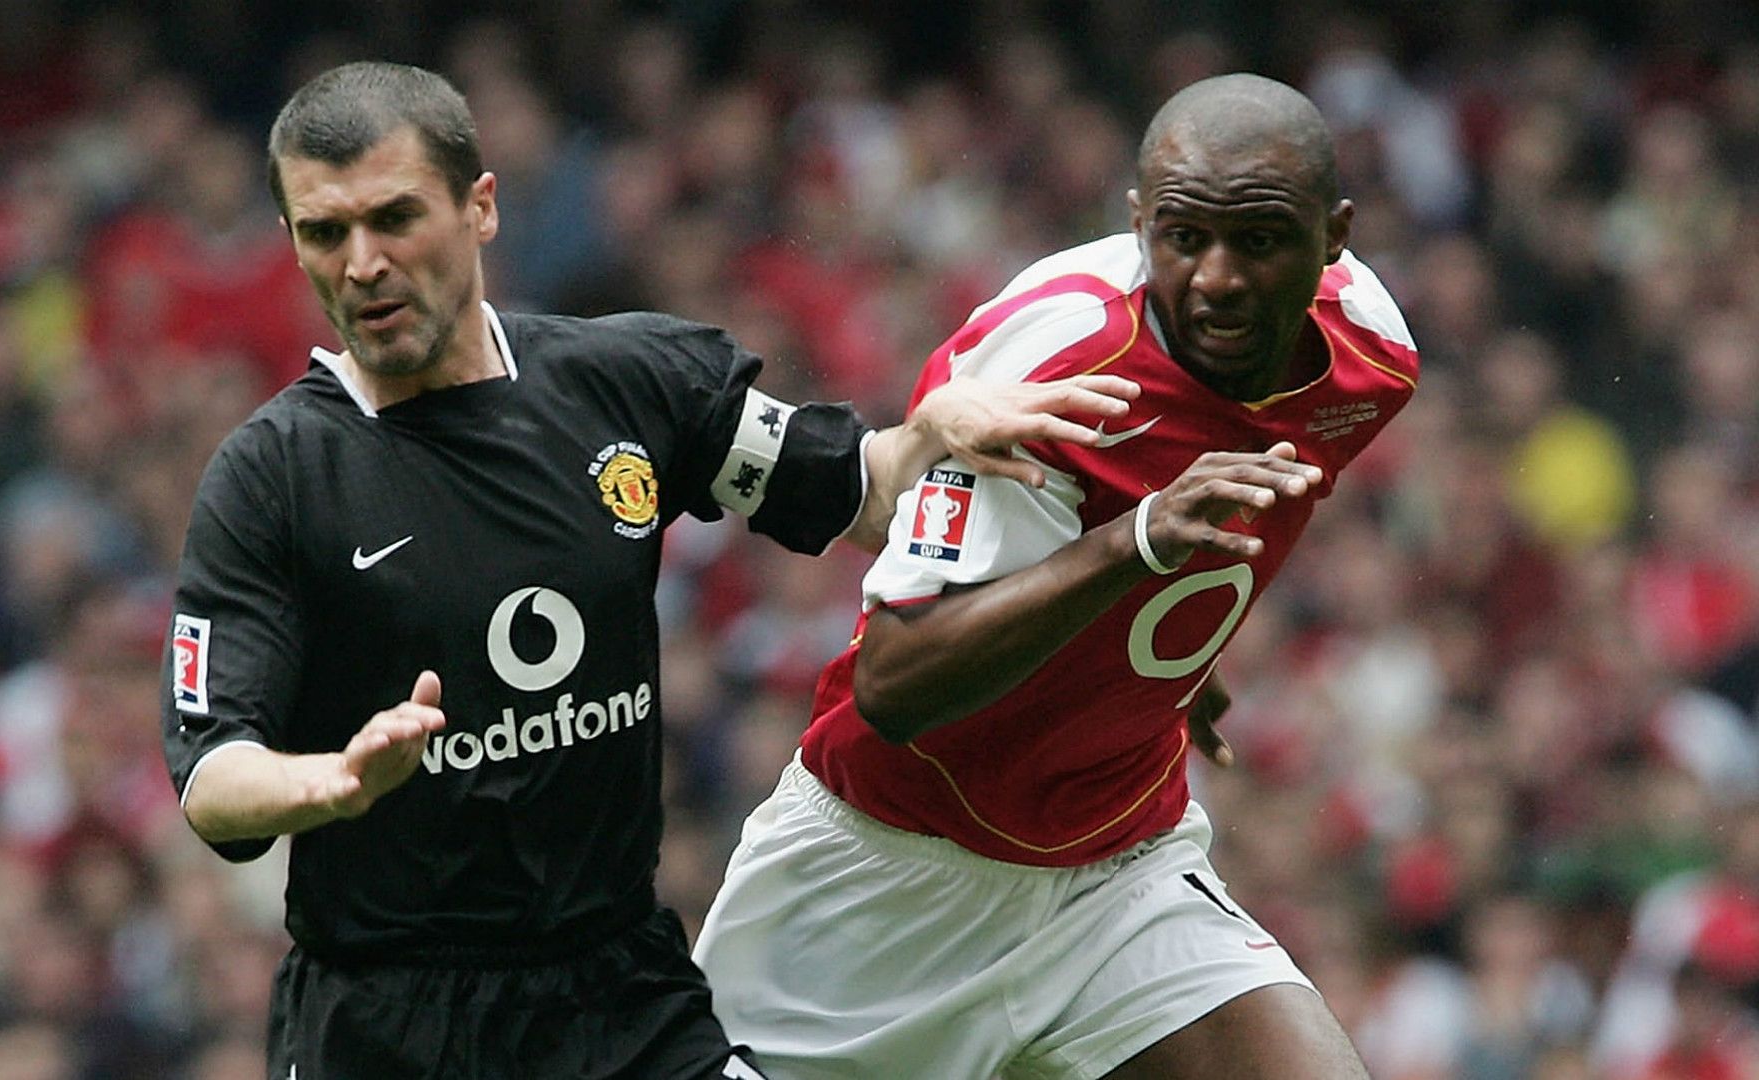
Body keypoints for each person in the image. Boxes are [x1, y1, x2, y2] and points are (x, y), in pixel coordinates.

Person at [157, 61, 1135, 1080]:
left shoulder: (628, 383)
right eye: (325, 233)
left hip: (616, 995)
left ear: (479, 207)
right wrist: (332, 781)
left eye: (395, 218)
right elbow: (214, 777)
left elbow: (859, 492)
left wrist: (933, 431)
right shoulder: (270, 477)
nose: (363, 263)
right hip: (388, 1025)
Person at [691, 72, 1420, 1079]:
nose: (1216, 276)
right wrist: (1136, 549)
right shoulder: (1059, 373)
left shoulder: (1372, 358)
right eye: (1181, 238)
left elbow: (1212, 525)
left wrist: (1149, 666)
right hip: (886, 881)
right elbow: (895, 684)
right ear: (1137, 226)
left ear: (1334, 236)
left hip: (1115, 874)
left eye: (1258, 240)